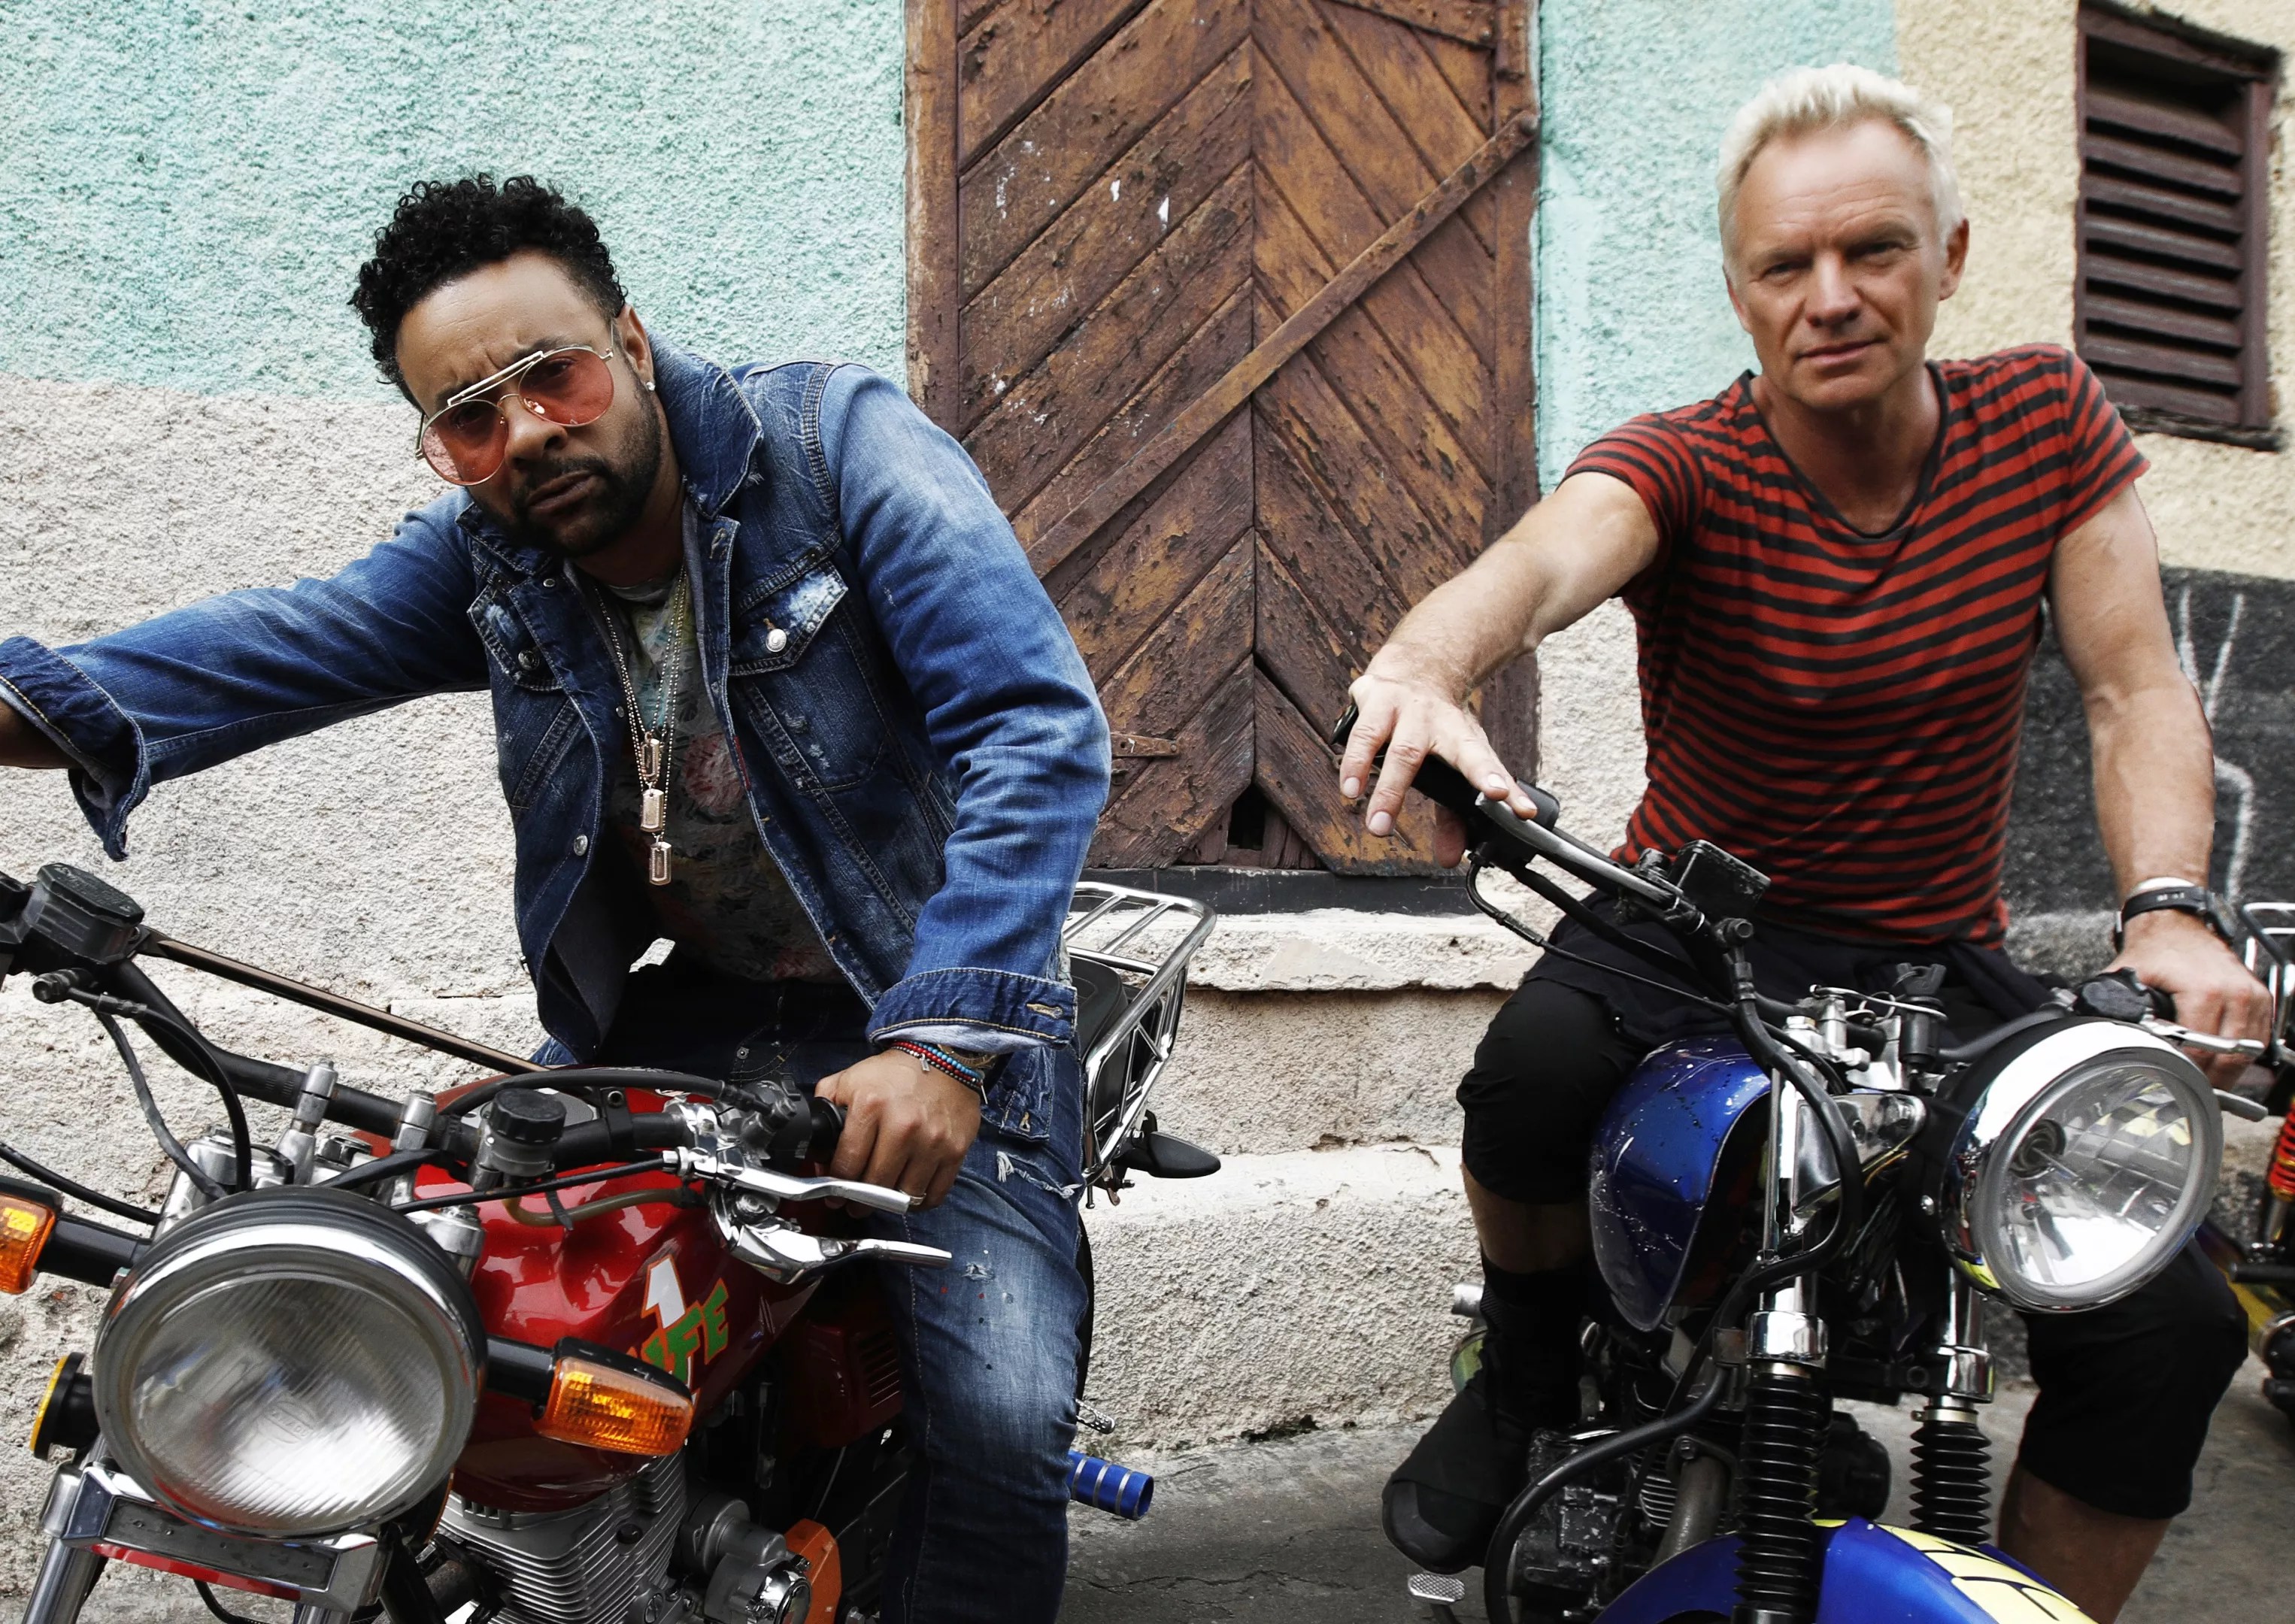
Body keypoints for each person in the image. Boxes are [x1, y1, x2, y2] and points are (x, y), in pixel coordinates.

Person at [0, 175, 1108, 1624]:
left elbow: (1032, 727)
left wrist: (944, 1040)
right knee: (477, 1324)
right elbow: (267, 647)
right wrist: (26, 711)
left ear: (630, 346)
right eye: (469, 419)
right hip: (685, 1018)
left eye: (553, 377)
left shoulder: (836, 447)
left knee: (1000, 1421)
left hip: (929, 998)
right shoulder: (497, 558)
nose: (525, 432)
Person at [1339, 66, 2264, 1623]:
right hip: (1689, 929)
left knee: (2167, 1319)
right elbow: (1544, 559)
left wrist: (2168, 910)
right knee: (1528, 1076)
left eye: (1872, 249)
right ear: (1740, 290)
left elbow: (2131, 688)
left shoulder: (2045, 420)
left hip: (1933, 960)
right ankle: (1524, 1369)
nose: (1829, 296)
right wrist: (1425, 667)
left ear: (1947, 256)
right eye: (1785, 264)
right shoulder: (1688, 456)